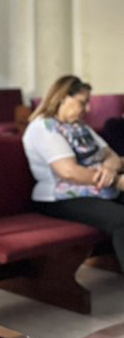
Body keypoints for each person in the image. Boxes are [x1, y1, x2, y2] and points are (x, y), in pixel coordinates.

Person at [25, 75, 124, 270]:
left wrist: (110, 170)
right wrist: (115, 181)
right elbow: (68, 172)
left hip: (97, 189)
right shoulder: (43, 127)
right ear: (62, 98)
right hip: (60, 198)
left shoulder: (80, 126)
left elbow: (111, 155)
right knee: (122, 220)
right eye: (82, 102)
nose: (87, 109)